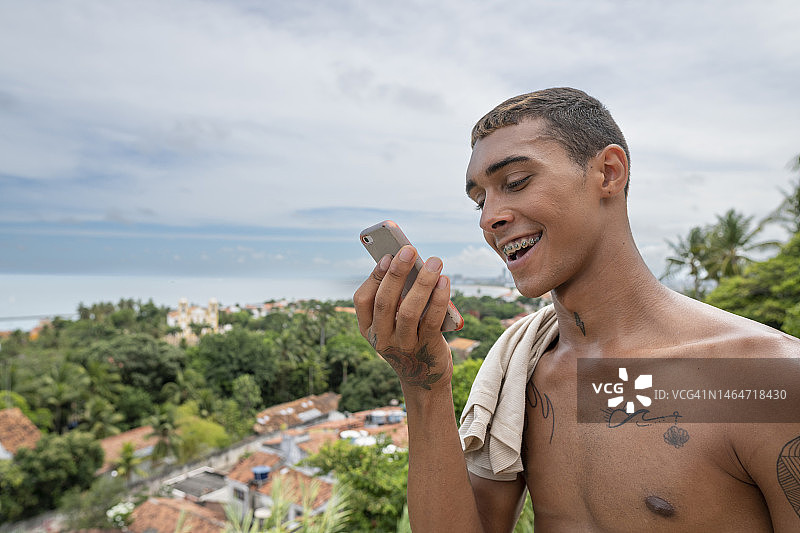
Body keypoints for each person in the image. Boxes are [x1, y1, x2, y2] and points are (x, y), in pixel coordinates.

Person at [353, 87, 800, 531]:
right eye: (480, 200)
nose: (490, 218)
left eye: (515, 182)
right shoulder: (529, 373)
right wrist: (422, 382)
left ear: (608, 172)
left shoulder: (762, 381)